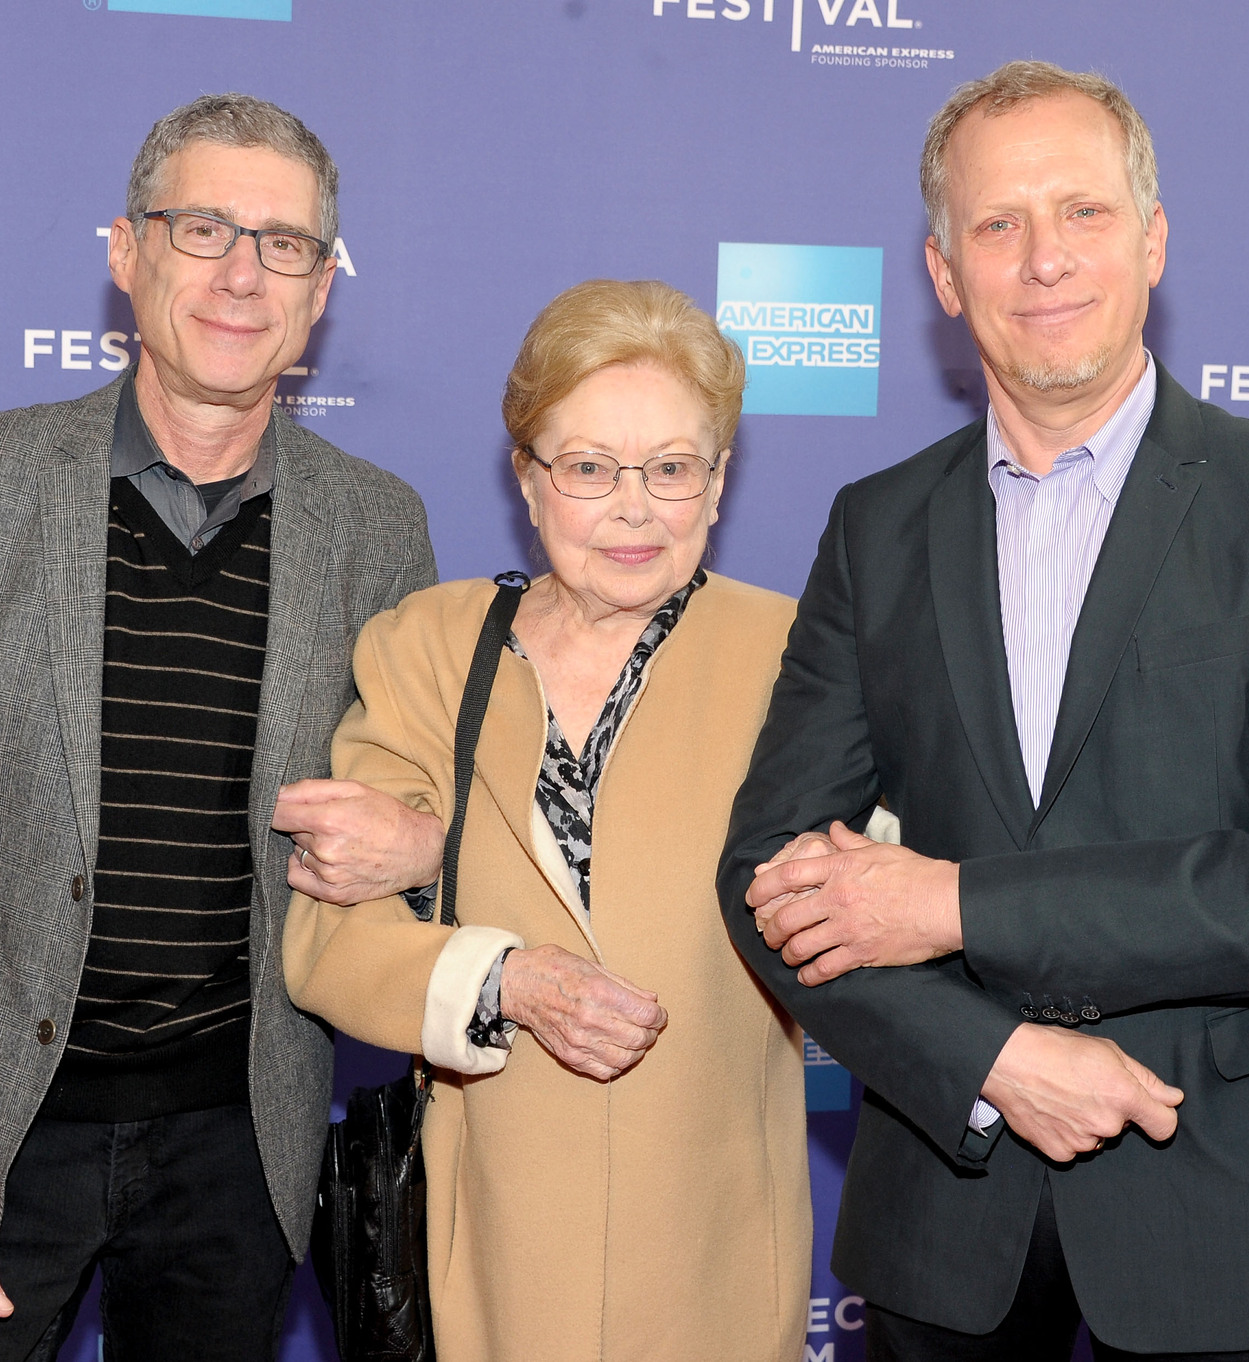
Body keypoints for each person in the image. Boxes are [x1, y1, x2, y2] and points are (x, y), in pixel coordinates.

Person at [720, 60, 1249, 1362]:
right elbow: (769, 873)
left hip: (1230, 1211)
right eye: (999, 224)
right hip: (948, 1219)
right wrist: (989, 1058)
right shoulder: (878, 527)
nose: (1045, 259)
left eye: (1083, 212)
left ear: (1152, 242)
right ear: (942, 273)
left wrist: (952, 903)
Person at [0, 94, 440, 1359]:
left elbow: (419, 816)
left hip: (240, 1143)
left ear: (320, 289)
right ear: (125, 251)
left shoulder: (379, 527)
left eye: (284, 245)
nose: (239, 274)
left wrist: (423, 847)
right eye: (203, 227)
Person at [281, 279, 811, 1362]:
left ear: (716, 487)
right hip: (492, 1233)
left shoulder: (797, 656)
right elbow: (334, 939)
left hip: (715, 1233)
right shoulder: (429, 646)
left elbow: (872, 901)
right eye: (587, 468)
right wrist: (507, 978)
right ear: (527, 480)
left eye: (671, 468)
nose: (633, 508)